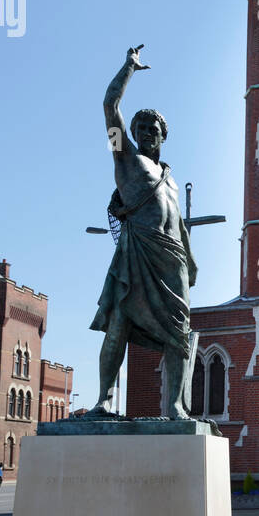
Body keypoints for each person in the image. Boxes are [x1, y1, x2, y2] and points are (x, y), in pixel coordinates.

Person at [86, 46, 197, 419]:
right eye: (142, 128)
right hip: (137, 255)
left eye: (154, 129)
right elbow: (108, 106)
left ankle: (177, 407)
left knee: (180, 334)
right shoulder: (125, 159)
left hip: (173, 259)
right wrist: (128, 68)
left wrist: (191, 259)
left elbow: (178, 222)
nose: (148, 133)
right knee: (119, 321)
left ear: (163, 136)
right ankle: (103, 399)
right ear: (131, 134)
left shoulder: (172, 179)